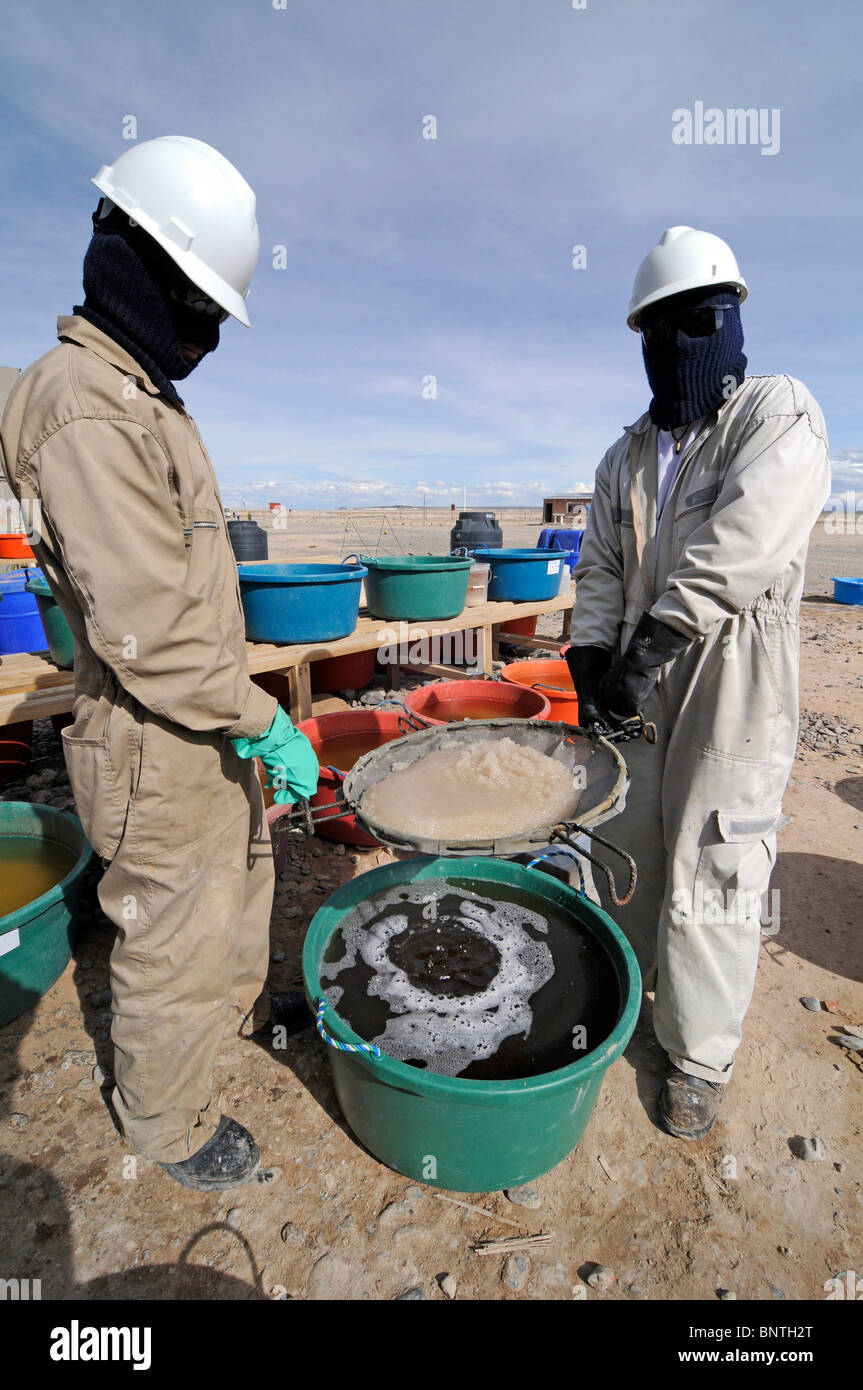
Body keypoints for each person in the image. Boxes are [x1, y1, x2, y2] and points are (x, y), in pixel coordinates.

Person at [0, 136, 319, 1189]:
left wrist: (243, 719)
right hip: (152, 731)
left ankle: (233, 1023)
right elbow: (146, 627)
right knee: (171, 932)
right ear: (150, 272)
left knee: (239, 879)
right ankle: (168, 1120)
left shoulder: (139, 397)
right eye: (205, 311)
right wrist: (261, 715)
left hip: (201, 718)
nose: (209, 337)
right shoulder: (85, 404)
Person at [566, 226, 830, 1139]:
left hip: (732, 673)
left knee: (716, 857)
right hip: (641, 670)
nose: (677, 344)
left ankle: (696, 1055)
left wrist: (655, 638)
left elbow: (745, 544)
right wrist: (591, 656)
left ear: (730, 320)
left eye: (698, 321)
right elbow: (599, 564)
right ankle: (638, 1001)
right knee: (631, 840)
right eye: (658, 327)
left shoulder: (775, 414)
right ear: (641, 337)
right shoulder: (627, 452)